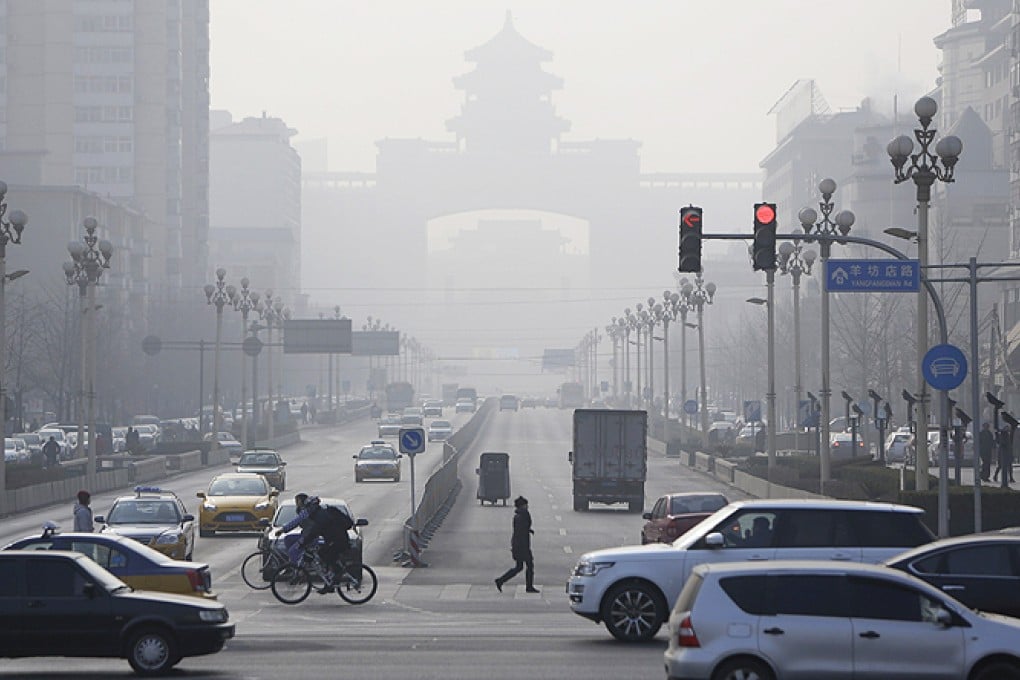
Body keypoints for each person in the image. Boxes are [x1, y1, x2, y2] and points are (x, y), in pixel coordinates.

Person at [275, 494, 353, 588]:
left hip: (338, 540)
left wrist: (302, 542)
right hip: (332, 539)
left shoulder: (319, 516)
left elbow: (313, 531)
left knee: (324, 555)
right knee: (290, 540)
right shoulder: (318, 514)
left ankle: (334, 577)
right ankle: (330, 580)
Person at [494, 496, 539, 594]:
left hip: (519, 545)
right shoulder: (522, 516)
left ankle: (501, 580)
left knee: (519, 567)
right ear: (522, 506)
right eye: (526, 505)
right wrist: (523, 547)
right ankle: (529, 586)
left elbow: (522, 529)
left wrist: (529, 530)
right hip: (521, 546)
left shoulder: (519, 515)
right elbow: (520, 532)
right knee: (529, 566)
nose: (527, 506)